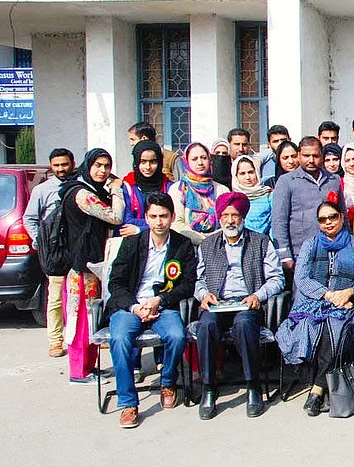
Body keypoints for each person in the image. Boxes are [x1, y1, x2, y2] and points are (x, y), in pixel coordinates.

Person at [104, 192, 194, 428]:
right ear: (146, 217)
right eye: (153, 216)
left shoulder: (182, 245)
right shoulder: (132, 244)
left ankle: (167, 382)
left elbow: (187, 284)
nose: (159, 221)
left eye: (163, 216)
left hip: (163, 305)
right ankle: (128, 404)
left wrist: (160, 300)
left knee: (177, 336)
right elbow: (116, 283)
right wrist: (135, 307)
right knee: (120, 339)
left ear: (172, 216)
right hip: (131, 306)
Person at [276, 198, 354, 417]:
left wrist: (349, 292)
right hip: (313, 303)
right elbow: (302, 278)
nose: (328, 222)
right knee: (309, 327)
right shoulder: (310, 244)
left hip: (345, 303)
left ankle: (317, 390)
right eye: (322, 219)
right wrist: (327, 295)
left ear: (341, 217)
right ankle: (326, 386)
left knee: (333, 331)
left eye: (332, 217)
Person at [194, 192, 285, 420]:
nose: (230, 220)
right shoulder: (207, 244)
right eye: (225, 215)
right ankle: (208, 387)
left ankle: (253, 386)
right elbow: (198, 280)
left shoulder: (261, 242)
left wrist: (258, 295)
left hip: (247, 303)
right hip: (217, 303)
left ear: (243, 216)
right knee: (206, 326)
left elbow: (277, 278)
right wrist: (204, 295)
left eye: (235, 215)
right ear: (219, 217)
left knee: (244, 325)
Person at [60, 148, 125, 383]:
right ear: (88, 166)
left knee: (92, 316)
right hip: (80, 268)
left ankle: (89, 366)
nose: (103, 171)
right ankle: (79, 371)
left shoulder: (92, 190)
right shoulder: (82, 194)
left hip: (90, 264)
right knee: (80, 318)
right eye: (98, 165)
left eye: (107, 166)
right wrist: (117, 191)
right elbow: (115, 217)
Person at [24, 147, 75, 357]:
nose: (61, 169)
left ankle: (84, 337)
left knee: (82, 297)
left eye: (64, 164)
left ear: (72, 163)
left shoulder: (79, 186)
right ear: (51, 166)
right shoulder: (42, 190)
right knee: (55, 298)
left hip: (75, 249)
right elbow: (30, 219)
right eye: (56, 165)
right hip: (54, 251)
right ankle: (55, 340)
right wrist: (40, 242)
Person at [272, 137, 342, 287]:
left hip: (332, 251)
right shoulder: (287, 181)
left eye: (315, 156)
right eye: (306, 156)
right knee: (303, 300)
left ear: (322, 156)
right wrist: (285, 256)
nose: (311, 160)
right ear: (298, 155)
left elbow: (343, 216)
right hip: (301, 253)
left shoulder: (333, 180)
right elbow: (279, 221)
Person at [167, 142, 229, 245]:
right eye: (194, 159)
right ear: (186, 161)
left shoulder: (222, 190)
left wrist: (213, 240)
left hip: (218, 245)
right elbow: (176, 223)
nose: (200, 162)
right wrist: (202, 240)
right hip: (188, 246)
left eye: (204, 158)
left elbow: (228, 221)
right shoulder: (178, 189)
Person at [120, 141, 170, 236]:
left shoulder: (169, 187)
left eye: (153, 162)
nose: (148, 167)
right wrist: (158, 224)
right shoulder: (128, 187)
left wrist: (140, 229)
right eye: (143, 162)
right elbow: (127, 221)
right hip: (134, 242)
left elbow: (172, 220)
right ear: (136, 162)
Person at [231, 154, 273, 235]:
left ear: (256, 172)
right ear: (236, 176)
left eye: (250, 172)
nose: (247, 177)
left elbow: (275, 224)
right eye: (242, 173)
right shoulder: (233, 199)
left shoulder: (268, 196)